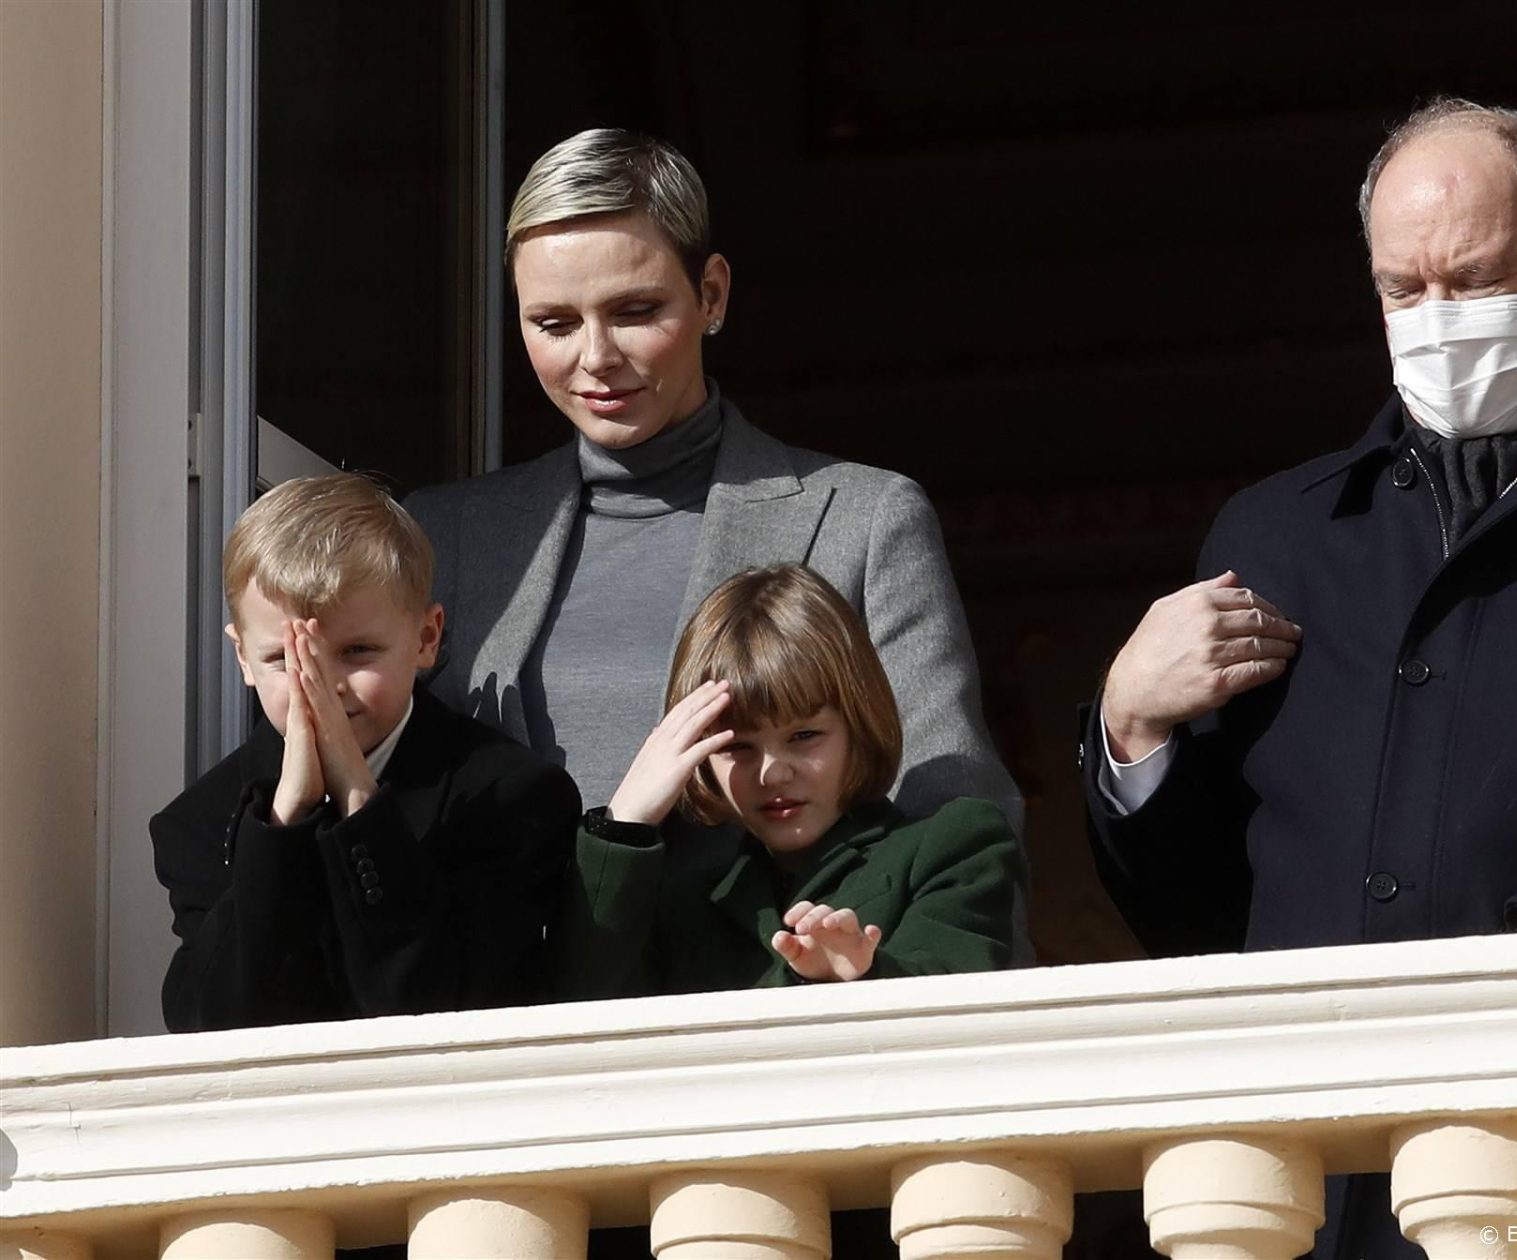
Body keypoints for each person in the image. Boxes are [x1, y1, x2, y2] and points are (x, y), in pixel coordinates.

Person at [1085, 100, 1517, 1258]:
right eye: (1405, 290)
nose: (1438, 321)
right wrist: (1130, 724)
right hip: (1309, 1200)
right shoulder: (1279, 539)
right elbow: (1200, 917)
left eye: (1476, 282)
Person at [403, 129, 1022, 866]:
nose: (596, 357)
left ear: (712, 294)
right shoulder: (442, 534)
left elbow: (958, 825)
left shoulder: (863, 522)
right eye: (554, 324)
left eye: (635, 311)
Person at [152, 474, 580, 1032]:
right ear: (242, 658)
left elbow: (442, 1005)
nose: (323, 685)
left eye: (357, 651)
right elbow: (212, 1024)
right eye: (285, 659)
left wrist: (360, 804)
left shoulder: (511, 798)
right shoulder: (199, 823)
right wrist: (282, 826)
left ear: (426, 639)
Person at [559, 565, 1019, 998]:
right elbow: (583, 1012)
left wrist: (860, 977)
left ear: (858, 724)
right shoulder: (684, 895)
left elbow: (954, 1004)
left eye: (804, 736)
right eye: (738, 746)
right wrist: (624, 824)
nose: (773, 773)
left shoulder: (953, 846)